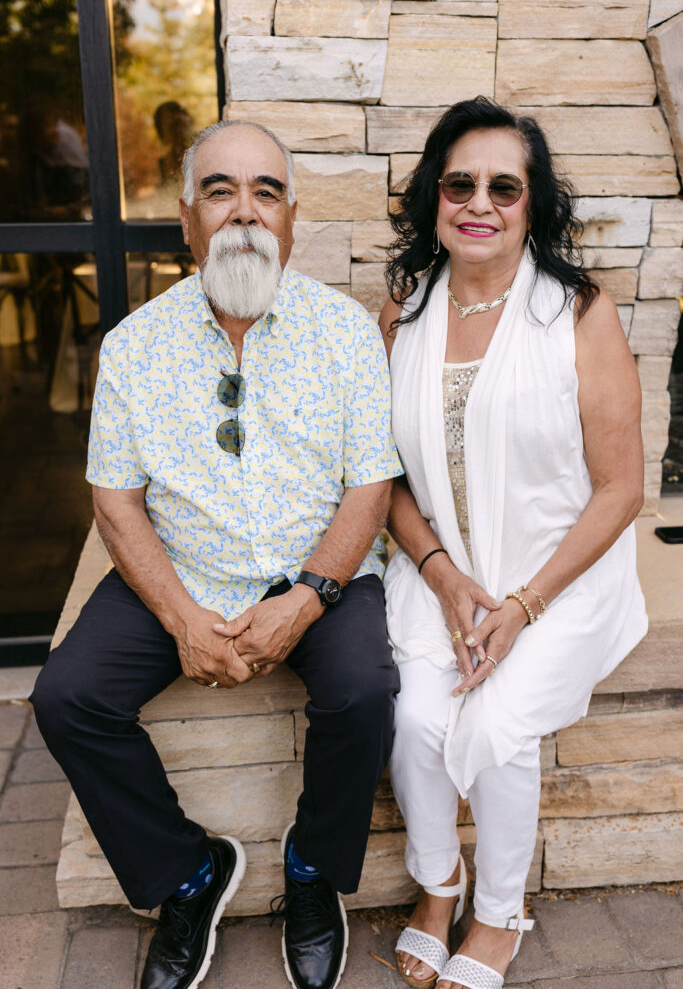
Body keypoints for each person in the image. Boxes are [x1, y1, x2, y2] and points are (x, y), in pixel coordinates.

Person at [31, 119, 403, 989]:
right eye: (220, 190)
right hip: (179, 567)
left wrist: (308, 597)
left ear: (291, 218)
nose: (245, 212)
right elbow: (115, 503)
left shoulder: (344, 334)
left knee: (363, 690)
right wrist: (181, 618)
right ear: (187, 221)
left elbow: (368, 490)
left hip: (313, 567)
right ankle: (189, 875)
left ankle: (313, 870)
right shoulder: (132, 347)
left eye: (266, 191)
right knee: (67, 697)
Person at [378, 96, 647, 989]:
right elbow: (386, 485)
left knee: (493, 726)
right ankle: (436, 883)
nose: (478, 202)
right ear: (433, 196)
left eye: (504, 185)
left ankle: (498, 912)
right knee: (414, 716)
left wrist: (524, 605)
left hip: (558, 579)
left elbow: (620, 488)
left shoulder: (575, 313)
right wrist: (447, 577)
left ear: (533, 204)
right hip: (440, 570)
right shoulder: (401, 315)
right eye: (459, 183)